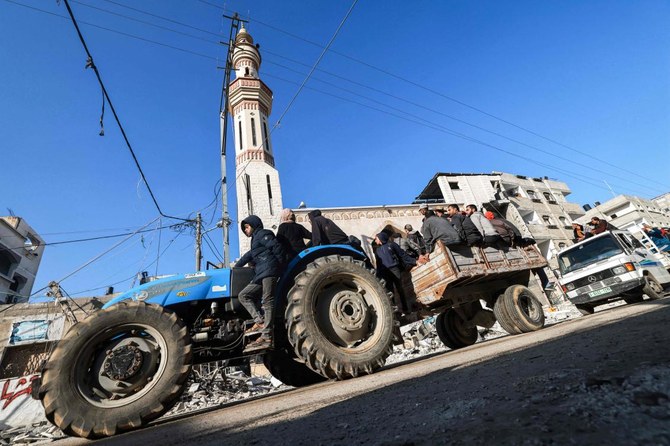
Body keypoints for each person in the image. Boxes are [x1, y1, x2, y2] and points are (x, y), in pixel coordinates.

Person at [235, 215, 288, 351]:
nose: (245, 230)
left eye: (247, 227)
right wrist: (235, 267)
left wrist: (281, 266)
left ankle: (267, 336)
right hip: (260, 274)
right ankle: (259, 321)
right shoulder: (255, 241)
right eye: (244, 228)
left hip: (269, 271)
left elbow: (276, 247)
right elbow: (248, 256)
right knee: (244, 295)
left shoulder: (263, 234)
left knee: (268, 300)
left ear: (254, 224)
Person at [374, 232, 417, 314]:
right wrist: (378, 275)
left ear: (381, 238)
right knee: (390, 292)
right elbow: (378, 264)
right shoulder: (377, 250)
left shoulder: (392, 245)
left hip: (395, 269)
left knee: (400, 289)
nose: (375, 240)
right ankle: (395, 312)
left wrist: (413, 261)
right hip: (385, 272)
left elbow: (402, 254)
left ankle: (406, 309)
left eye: (376, 238)